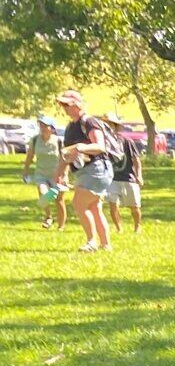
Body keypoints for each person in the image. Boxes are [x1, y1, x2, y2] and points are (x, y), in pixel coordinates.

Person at [55, 88, 115, 253]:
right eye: (62, 105)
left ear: (77, 104)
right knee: (94, 207)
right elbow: (67, 153)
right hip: (83, 171)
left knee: (79, 204)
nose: (64, 108)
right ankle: (106, 245)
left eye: (67, 104)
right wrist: (61, 172)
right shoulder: (70, 127)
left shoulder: (89, 122)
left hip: (96, 169)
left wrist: (82, 147)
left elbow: (100, 146)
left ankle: (91, 242)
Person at [24, 115, 68, 229]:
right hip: (41, 173)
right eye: (41, 125)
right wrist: (25, 171)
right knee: (44, 196)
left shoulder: (58, 141)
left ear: (52, 128)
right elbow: (29, 157)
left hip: (57, 174)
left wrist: (64, 174)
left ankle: (61, 226)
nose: (42, 128)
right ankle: (49, 216)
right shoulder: (35, 140)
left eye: (45, 126)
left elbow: (65, 159)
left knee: (59, 200)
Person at [101, 116, 143, 234]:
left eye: (110, 125)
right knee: (113, 205)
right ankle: (119, 228)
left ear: (116, 126)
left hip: (128, 178)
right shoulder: (103, 143)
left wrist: (139, 175)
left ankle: (137, 226)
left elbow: (136, 159)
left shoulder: (127, 141)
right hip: (112, 178)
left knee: (134, 206)